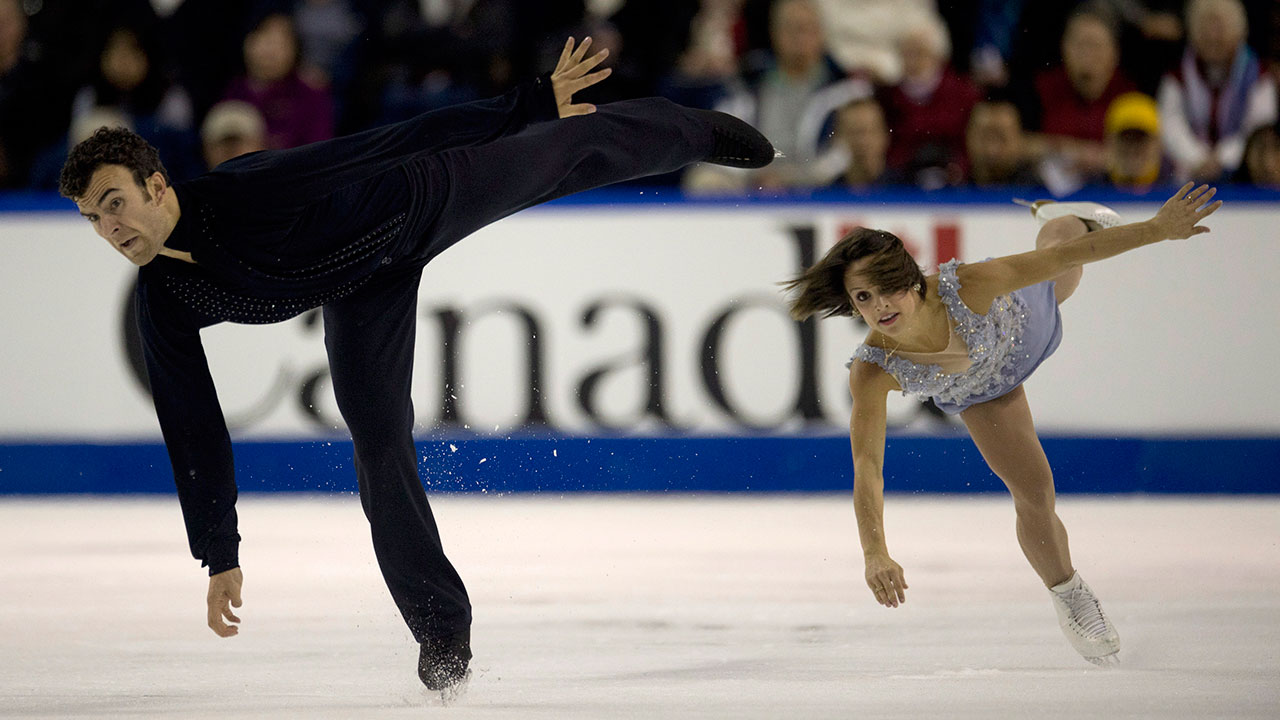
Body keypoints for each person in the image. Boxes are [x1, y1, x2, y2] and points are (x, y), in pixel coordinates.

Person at [56, 37, 774, 696]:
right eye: (93, 218)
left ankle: (690, 129)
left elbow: (382, 144)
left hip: (419, 198)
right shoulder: (163, 299)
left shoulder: (244, 192)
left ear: (155, 185)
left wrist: (527, 103)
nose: (110, 230)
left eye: (115, 204)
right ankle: (442, 634)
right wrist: (218, 552)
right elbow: (192, 426)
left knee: (565, 151)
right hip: (363, 290)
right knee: (378, 444)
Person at [782, 183, 1222, 666]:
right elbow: (867, 464)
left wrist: (1157, 230)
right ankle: (1069, 591)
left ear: (910, 280)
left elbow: (1073, 254)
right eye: (863, 297)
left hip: (1020, 324)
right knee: (1035, 493)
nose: (879, 306)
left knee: (1062, 258)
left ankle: (1060, 212)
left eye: (886, 289)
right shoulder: (872, 369)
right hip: (985, 393)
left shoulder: (967, 285)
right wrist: (875, 552)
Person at [1157, 0, 1277, 182]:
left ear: (1239, 32)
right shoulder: (1176, 76)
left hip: (1244, 178)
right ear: (1193, 33)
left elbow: (1259, 127)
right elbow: (1170, 124)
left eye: (1220, 29)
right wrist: (1198, 158)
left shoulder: (1258, 75)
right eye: (1205, 28)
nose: (1213, 36)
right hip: (1189, 175)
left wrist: (1222, 158)